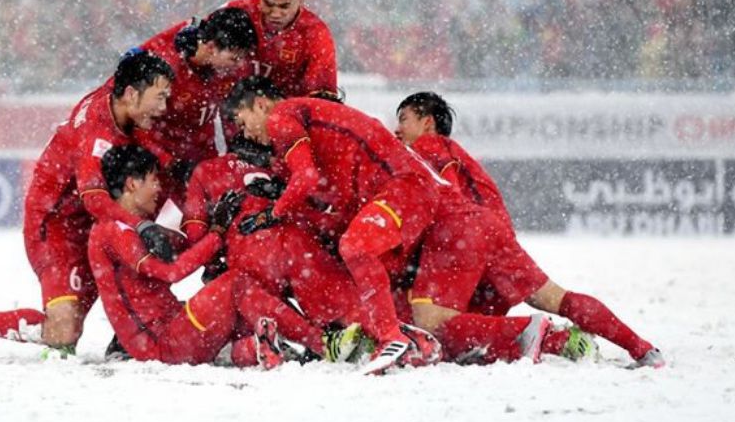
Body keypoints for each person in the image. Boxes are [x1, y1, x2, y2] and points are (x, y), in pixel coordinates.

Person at [394, 91, 665, 368]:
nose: (397, 129)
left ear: (428, 123)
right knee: (554, 298)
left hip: (460, 231)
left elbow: (443, 197)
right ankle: (641, 349)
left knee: (429, 324)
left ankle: (539, 334)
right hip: (495, 233)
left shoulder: (425, 147)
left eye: (403, 119)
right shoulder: (459, 154)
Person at [0, 51, 175, 361]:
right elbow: (94, 198)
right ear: (131, 94)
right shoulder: (96, 132)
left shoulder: (119, 97)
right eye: (159, 98)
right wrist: (141, 225)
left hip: (89, 225)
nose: (163, 108)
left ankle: (127, 335)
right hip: (54, 228)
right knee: (62, 334)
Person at [225, 76, 459, 373]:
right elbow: (327, 197)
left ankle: (391, 339)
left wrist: (273, 212)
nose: (247, 134)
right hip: (407, 192)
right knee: (360, 261)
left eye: (243, 123)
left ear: (260, 104)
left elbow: (306, 177)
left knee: (354, 247)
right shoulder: (326, 139)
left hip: (403, 187)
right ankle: (411, 342)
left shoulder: (281, 116)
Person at [182, 135, 438, 370]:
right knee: (340, 308)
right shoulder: (283, 163)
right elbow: (323, 210)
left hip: (248, 254)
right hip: (298, 243)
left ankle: (282, 344)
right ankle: (392, 335)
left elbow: (195, 239)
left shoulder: (205, 172)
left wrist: (217, 243)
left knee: (249, 321)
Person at [86, 143, 285, 368]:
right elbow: (172, 273)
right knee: (233, 283)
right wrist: (217, 233)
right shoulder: (114, 231)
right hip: (163, 346)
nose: (159, 188)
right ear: (132, 184)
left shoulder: (132, 227)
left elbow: (186, 246)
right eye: (154, 180)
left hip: (172, 329)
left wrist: (211, 221)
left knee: (234, 309)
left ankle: (257, 347)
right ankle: (312, 340)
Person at [130, 6, 258, 193]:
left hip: (198, 155)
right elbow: (134, 123)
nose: (239, 65)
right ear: (211, 47)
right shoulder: (164, 70)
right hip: (156, 161)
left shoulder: (226, 68)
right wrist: (172, 164)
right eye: (234, 58)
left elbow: (231, 115)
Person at [225, 0, 339, 99]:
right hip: (230, 111)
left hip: (287, 116)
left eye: (284, 6)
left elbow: (322, 101)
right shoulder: (236, 12)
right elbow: (200, 41)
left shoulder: (316, 34)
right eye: (268, 4)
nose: (276, 14)